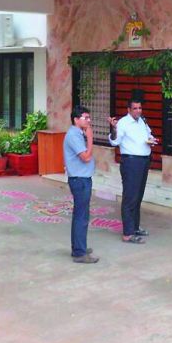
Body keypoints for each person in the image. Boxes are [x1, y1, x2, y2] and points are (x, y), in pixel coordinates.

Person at [108, 98, 157, 244]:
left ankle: (135, 227)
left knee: (138, 196)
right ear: (128, 110)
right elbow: (114, 141)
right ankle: (128, 233)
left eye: (140, 108)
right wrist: (113, 129)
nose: (138, 111)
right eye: (135, 108)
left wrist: (152, 140)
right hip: (131, 162)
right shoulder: (123, 123)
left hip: (143, 161)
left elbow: (148, 135)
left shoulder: (142, 121)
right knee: (130, 196)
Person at [63, 105, 98, 264]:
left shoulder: (78, 133)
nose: (89, 120)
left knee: (82, 214)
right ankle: (79, 252)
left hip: (82, 178)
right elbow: (85, 157)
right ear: (76, 119)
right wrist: (90, 138)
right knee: (81, 216)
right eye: (85, 117)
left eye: (89, 117)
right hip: (79, 180)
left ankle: (78, 247)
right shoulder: (74, 135)